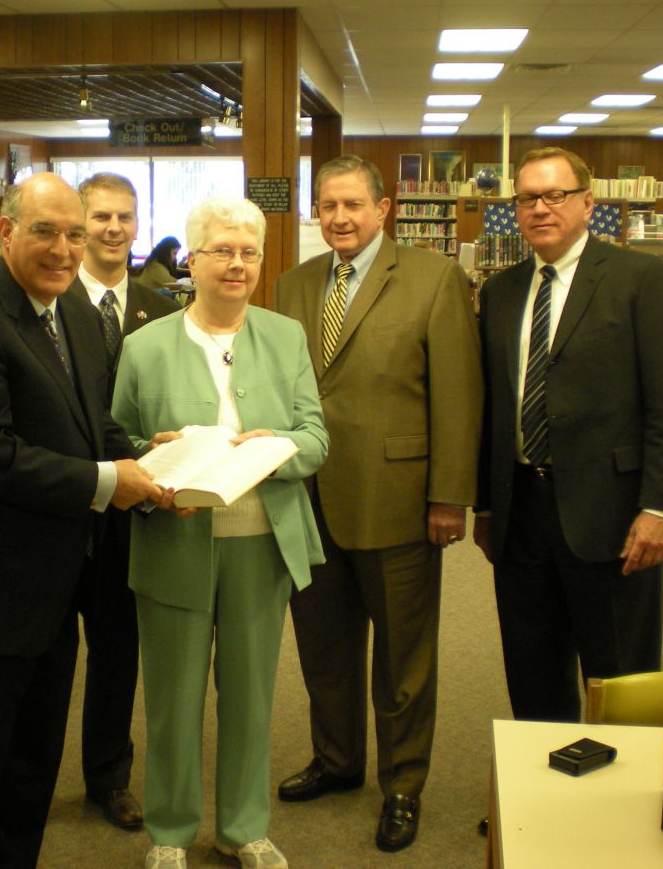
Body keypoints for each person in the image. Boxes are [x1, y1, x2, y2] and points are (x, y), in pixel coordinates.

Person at [0, 171, 164, 869]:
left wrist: (145, 458)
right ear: (5, 232)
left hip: (51, 583)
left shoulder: (72, 311)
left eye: (74, 234)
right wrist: (108, 481)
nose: (64, 249)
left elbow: (91, 424)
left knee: (31, 764)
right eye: (46, 232)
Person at [112, 195, 328, 869]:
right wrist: (154, 453)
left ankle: (243, 828)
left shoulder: (285, 336)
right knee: (172, 699)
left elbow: (316, 436)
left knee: (250, 695)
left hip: (261, 541)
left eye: (249, 253)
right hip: (173, 541)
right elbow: (117, 440)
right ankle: (170, 833)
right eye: (222, 251)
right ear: (193, 260)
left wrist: (278, 446)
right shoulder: (144, 346)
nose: (237, 264)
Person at [274, 155, 481, 853]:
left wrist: (449, 498)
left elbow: (458, 395)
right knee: (325, 648)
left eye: (353, 205)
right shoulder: (294, 284)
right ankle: (337, 761)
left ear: (383, 208)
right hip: (308, 500)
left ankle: (403, 784)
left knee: (403, 659)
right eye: (328, 206)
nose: (340, 218)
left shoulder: (433, 278)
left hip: (398, 501)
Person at [474, 147, 663, 722]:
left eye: (555, 195)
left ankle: (622, 780)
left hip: (613, 514)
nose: (540, 208)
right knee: (533, 674)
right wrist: (486, 506)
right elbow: (493, 404)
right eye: (527, 198)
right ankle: (543, 775)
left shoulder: (640, 279)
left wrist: (661, 508)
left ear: (588, 203)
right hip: (521, 512)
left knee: (620, 677)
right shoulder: (500, 292)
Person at [68, 173, 178, 831]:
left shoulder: (162, 309)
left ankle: (107, 777)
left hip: (132, 510)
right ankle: (24, 776)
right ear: (80, 225)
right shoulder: (50, 302)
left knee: (116, 651)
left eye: (125, 217)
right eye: (101, 216)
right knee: (44, 652)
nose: (114, 228)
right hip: (62, 504)